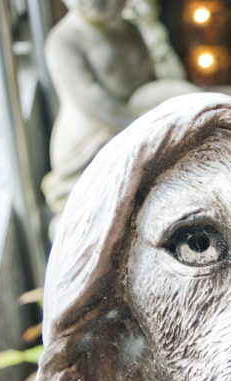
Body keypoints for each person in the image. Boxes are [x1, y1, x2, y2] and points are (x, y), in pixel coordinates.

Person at [42, 0, 195, 223]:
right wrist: (142, 128)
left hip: (137, 122)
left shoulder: (129, 28)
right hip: (93, 138)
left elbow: (158, 80)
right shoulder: (64, 39)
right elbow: (92, 99)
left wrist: (152, 28)